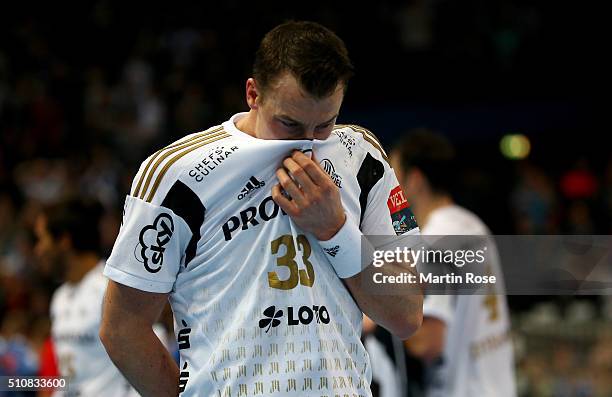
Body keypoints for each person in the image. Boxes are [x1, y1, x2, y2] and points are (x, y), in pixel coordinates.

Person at [100, 21, 423, 397]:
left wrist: (336, 230)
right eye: (289, 123)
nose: (307, 141)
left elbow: (407, 314)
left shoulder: (361, 155)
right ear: (253, 93)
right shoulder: (178, 174)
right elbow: (121, 327)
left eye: (324, 125)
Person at [390, 130, 516, 397]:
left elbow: (428, 343)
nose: (389, 191)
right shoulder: (473, 225)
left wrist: (384, 311)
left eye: (393, 177)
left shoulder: (435, 240)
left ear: (414, 180)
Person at [34, 199, 138, 396]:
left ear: (64, 241)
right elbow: (67, 379)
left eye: (42, 239)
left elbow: (151, 347)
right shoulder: (60, 298)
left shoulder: (111, 289)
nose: (38, 250)